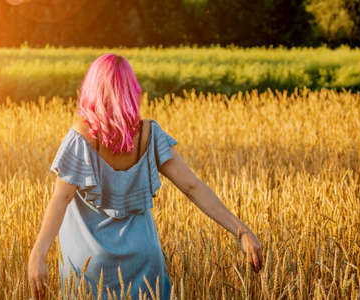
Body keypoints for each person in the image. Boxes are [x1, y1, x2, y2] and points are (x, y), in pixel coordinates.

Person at [27, 53, 263, 300]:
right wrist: (241, 231)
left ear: (92, 90)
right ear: (132, 91)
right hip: (143, 261)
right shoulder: (150, 135)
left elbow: (60, 199)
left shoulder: (80, 138)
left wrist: (38, 254)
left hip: (89, 268)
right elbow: (193, 187)